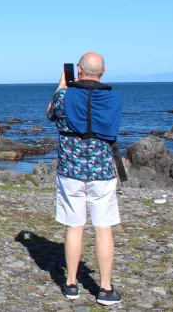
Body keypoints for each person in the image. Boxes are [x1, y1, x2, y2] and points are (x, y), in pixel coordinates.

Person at [47, 52, 123, 306]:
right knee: (103, 228)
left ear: (77, 70)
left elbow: (51, 114)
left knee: (74, 226)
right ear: (104, 71)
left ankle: (70, 283)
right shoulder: (114, 99)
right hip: (102, 171)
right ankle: (105, 288)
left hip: (71, 171)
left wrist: (62, 84)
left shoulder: (64, 96)